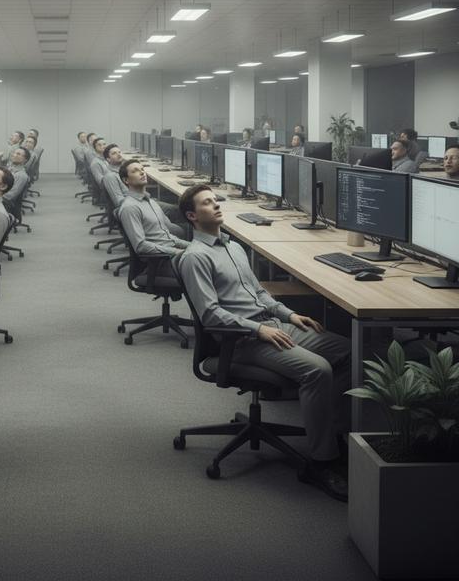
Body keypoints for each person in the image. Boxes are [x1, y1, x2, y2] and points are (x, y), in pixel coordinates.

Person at [177, 184, 351, 501]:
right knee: (318, 370)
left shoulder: (234, 247)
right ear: (192, 216)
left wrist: (289, 314)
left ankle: (330, 436)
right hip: (242, 339)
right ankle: (321, 463)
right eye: (207, 203)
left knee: (350, 353)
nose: (216, 205)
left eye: (216, 200)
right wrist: (258, 331)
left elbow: (259, 294)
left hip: (273, 325)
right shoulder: (195, 257)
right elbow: (211, 316)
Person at [118, 159, 189, 255]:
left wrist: (190, 246)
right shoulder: (130, 208)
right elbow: (140, 246)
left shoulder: (151, 202)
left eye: (142, 169)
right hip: (162, 258)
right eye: (135, 171)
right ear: (126, 180)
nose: (142, 172)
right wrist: (178, 252)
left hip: (170, 248)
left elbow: (167, 237)